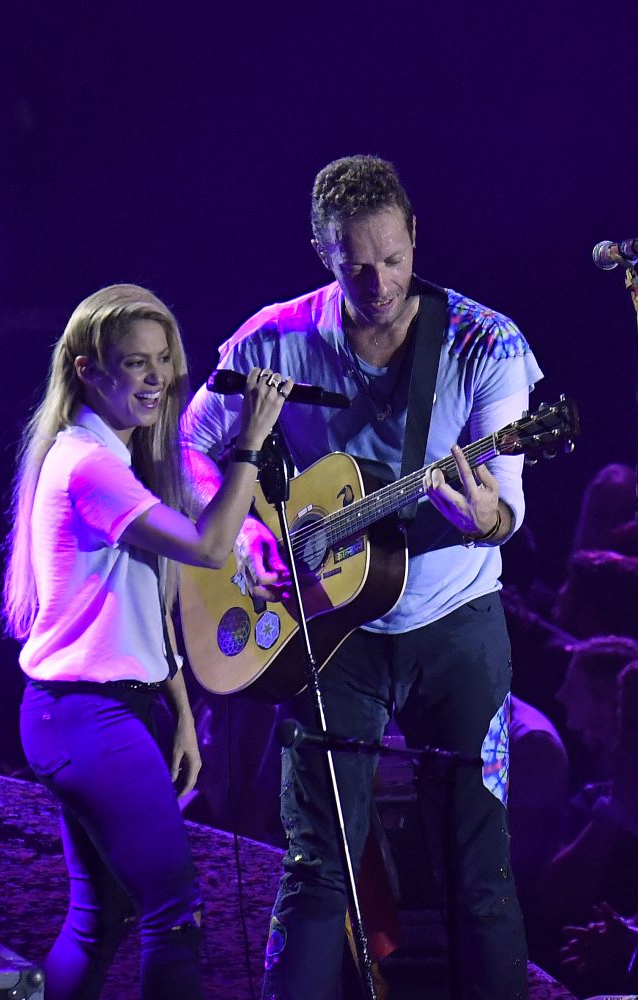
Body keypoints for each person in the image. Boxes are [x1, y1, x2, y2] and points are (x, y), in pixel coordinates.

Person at [179, 155, 540, 998]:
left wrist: (480, 517)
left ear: (415, 235)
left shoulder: (488, 342)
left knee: (479, 873)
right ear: (321, 252)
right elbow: (189, 448)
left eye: (391, 257)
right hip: (327, 630)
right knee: (316, 868)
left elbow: (505, 509)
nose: (376, 281)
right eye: (354, 264)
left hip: (455, 627)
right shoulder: (273, 337)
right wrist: (243, 538)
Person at [2, 283, 291, 1000]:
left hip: (93, 713)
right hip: (87, 717)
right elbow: (210, 543)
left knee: (101, 919)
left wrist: (183, 716)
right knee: (175, 911)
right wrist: (249, 442)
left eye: (164, 360)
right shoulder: (89, 466)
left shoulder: (105, 459)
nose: (157, 377)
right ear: (85, 370)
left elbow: (146, 611)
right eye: (135, 363)